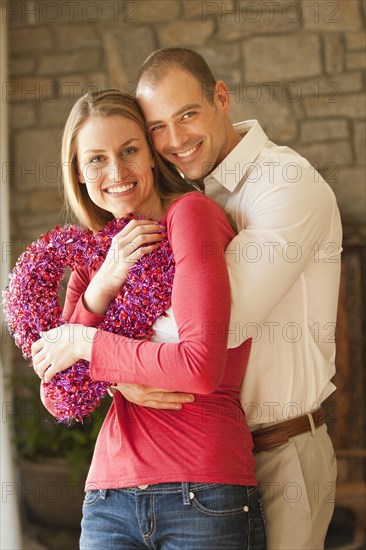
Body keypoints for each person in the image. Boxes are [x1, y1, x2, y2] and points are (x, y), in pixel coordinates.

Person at [115, 48, 341, 550]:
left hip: (282, 450)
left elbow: (213, 326)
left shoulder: (286, 182)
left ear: (221, 97)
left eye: (188, 115)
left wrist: (94, 350)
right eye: (157, 128)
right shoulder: (188, 198)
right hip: (209, 460)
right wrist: (116, 374)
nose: (175, 141)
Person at [31, 89, 266, 549]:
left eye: (129, 150)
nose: (116, 173)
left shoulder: (191, 216)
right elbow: (58, 395)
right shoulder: (94, 255)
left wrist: (86, 344)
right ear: (79, 174)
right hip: (108, 497)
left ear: (153, 155)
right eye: (96, 159)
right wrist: (103, 284)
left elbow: (199, 367)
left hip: (201, 489)